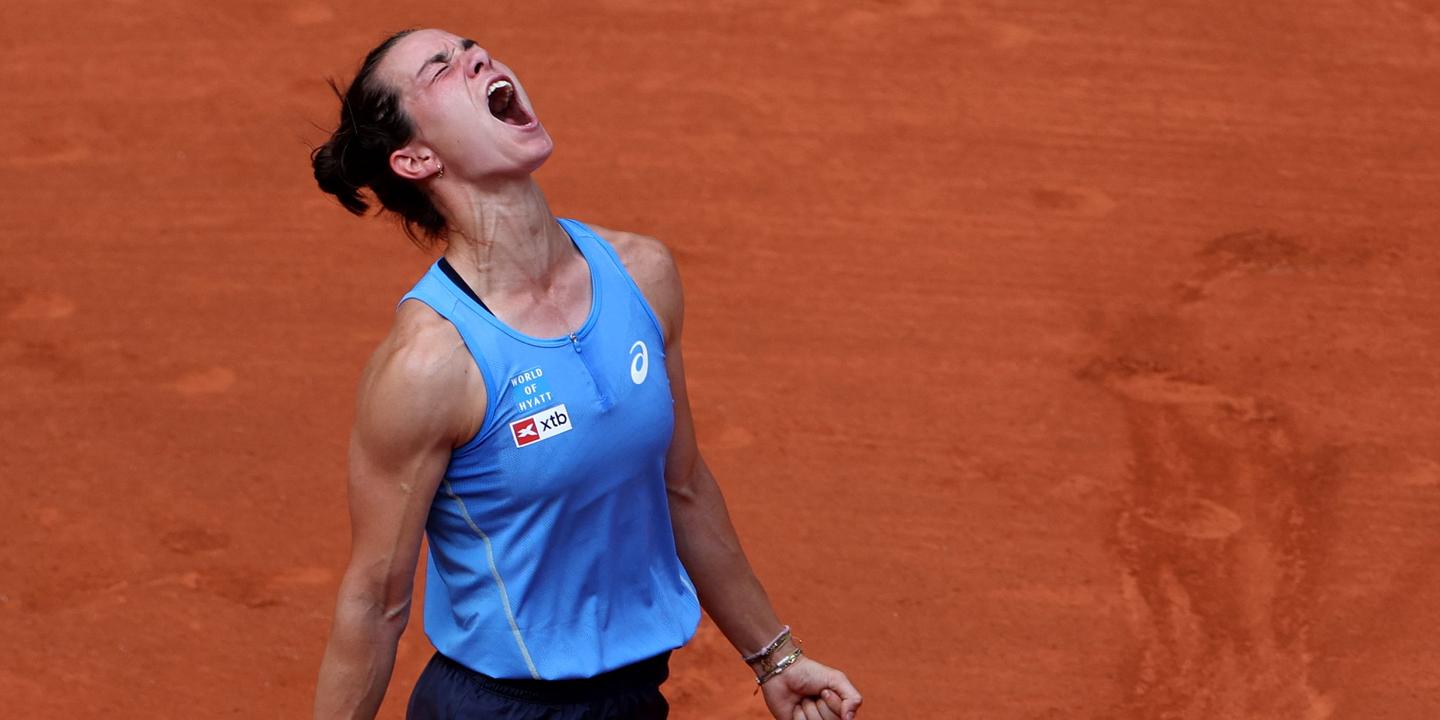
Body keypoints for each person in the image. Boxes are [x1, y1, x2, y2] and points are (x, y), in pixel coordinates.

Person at [308, 28, 863, 720]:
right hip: (499, 709)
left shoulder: (642, 275)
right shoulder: (432, 364)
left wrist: (774, 657)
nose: (477, 58)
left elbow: (682, 486)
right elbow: (374, 602)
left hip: (634, 699)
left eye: (473, 47)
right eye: (440, 68)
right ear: (416, 158)